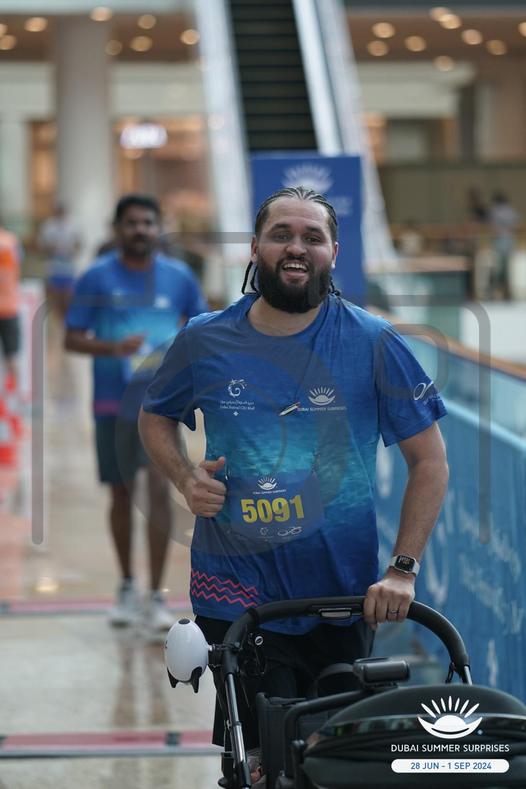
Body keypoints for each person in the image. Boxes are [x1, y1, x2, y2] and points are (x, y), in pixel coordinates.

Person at [138, 186, 449, 756]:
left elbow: (429, 460)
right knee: (260, 761)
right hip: (234, 596)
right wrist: (184, 477)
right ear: (255, 248)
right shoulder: (204, 337)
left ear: (334, 252)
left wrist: (402, 570)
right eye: (281, 234)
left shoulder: (374, 341)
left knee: (331, 761)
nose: (296, 247)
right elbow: (155, 417)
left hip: (341, 596)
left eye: (313, 236)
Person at [64, 194, 208, 636]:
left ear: (158, 228)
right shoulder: (96, 277)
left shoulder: (179, 276)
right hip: (112, 404)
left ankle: (155, 596)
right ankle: (127, 586)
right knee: (122, 495)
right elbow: (72, 338)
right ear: (117, 228)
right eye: (132, 223)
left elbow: (203, 330)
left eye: (148, 222)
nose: (141, 230)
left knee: (160, 493)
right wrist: (114, 348)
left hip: (160, 406)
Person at [38, 203, 82, 316]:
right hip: (54, 268)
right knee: (55, 299)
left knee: (68, 299)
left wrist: (70, 249)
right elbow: (41, 247)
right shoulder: (48, 226)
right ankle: (57, 320)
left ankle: (66, 319)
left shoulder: (73, 226)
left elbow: (79, 245)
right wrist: (52, 248)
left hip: (69, 268)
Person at [0, 219, 22, 385]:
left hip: (8, 305)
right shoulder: (12, 241)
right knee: (11, 356)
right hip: (9, 306)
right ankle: (13, 394)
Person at [489, 191, 520, 300]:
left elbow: (491, 226)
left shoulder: (495, 211)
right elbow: (516, 224)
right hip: (509, 241)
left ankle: (497, 291)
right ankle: (507, 291)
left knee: (499, 268)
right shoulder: (510, 210)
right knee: (506, 268)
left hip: (500, 241)